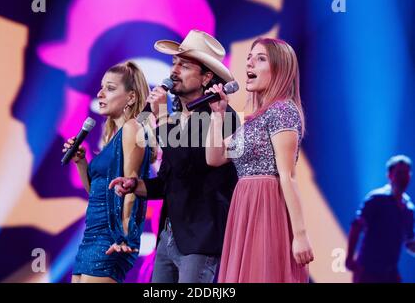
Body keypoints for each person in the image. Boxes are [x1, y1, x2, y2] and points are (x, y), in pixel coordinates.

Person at [110, 30, 239, 283]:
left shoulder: (221, 116)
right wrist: (137, 185)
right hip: (169, 236)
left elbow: (187, 164)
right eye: (174, 63)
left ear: (206, 77)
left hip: (200, 239)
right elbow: (171, 180)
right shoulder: (177, 118)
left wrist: (159, 118)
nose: (174, 71)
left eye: (185, 65)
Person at [205, 37, 314, 282]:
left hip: (267, 206)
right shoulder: (251, 120)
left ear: (280, 69)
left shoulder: (283, 111)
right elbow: (214, 157)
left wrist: (300, 235)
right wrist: (218, 115)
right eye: (249, 58)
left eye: (261, 59)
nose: (250, 64)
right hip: (244, 206)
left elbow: (288, 175)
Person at [62, 61, 154, 283]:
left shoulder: (133, 128)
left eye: (110, 88)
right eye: (102, 87)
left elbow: (130, 188)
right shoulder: (114, 137)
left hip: (111, 237)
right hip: (91, 236)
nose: (100, 93)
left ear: (131, 97)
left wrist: (123, 237)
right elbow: (97, 193)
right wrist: (81, 163)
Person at [346, 155, 415, 283]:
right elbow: (356, 227)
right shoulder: (377, 199)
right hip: (367, 271)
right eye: (399, 173)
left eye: (406, 173)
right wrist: (349, 257)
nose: (403, 177)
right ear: (389, 175)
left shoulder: (409, 208)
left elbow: (409, 242)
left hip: (390, 273)